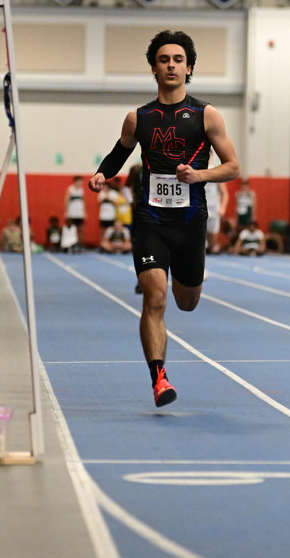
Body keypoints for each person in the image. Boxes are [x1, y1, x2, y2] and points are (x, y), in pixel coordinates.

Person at [87, 30, 239, 408]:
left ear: (189, 69)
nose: (171, 65)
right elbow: (118, 154)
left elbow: (233, 167)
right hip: (150, 221)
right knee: (154, 298)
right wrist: (102, 174)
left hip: (190, 223)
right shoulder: (138, 118)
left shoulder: (206, 115)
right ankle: (159, 379)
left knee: (186, 302)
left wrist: (199, 175)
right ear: (153, 68)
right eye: (163, 60)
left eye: (178, 60)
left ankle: (184, 282)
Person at [64, 176, 86, 253]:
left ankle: (79, 245)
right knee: (71, 230)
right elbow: (66, 200)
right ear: (75, 181)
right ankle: (70, 244)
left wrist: (84, 212)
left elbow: (83, 201)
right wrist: (66, 211)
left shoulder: (81, 190)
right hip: (72, 213)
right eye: (79, 181)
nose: (80, 183)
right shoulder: (70, 189)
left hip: (79, 213)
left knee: (80, 229)